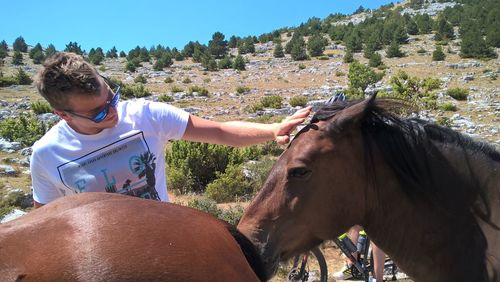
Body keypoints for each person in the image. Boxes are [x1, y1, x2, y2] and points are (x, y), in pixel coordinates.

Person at [31, 52, 311, 207]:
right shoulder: (46, 155)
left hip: (165, 245)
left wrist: (273, 128)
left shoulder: (145, 115)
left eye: (112, 97)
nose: (114, 111)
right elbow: (47, 223)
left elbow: (220, 132)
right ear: (62, 115)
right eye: (99, 113)